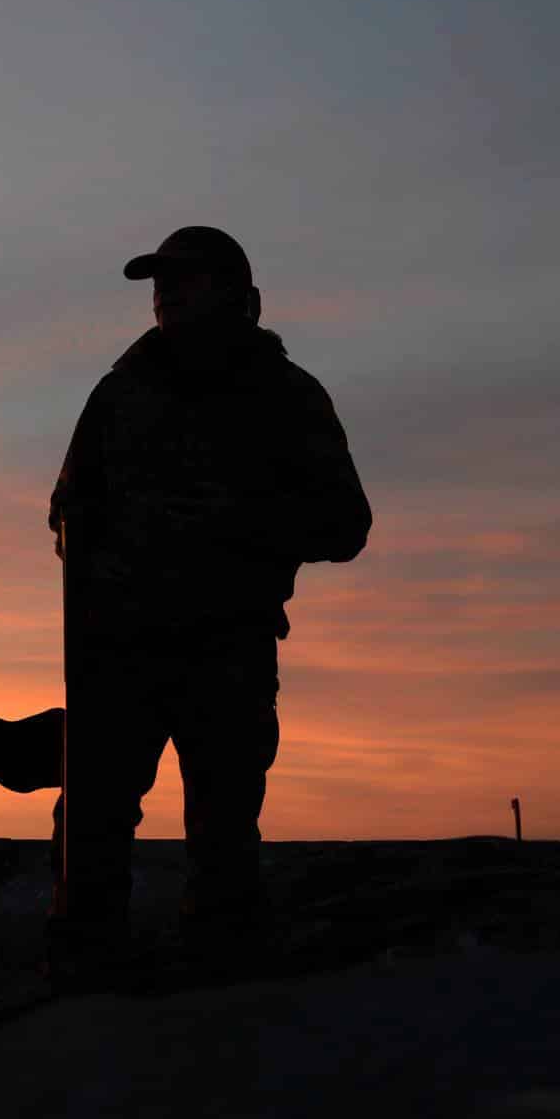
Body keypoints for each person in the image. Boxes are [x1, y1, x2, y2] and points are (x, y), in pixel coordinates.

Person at [47, 225, 371, 975]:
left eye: (184, 280)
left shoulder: (288, 399)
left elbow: (346, 522)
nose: (164, 295)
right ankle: (81, 975)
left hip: (227, 648)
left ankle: (219, 988)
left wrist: (240, 522)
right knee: (90, 822)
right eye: (160, 283)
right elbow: (66, 503)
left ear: (239, 298)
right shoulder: (119, 394)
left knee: (223, 828)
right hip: (118, 650)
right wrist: (85, 535)